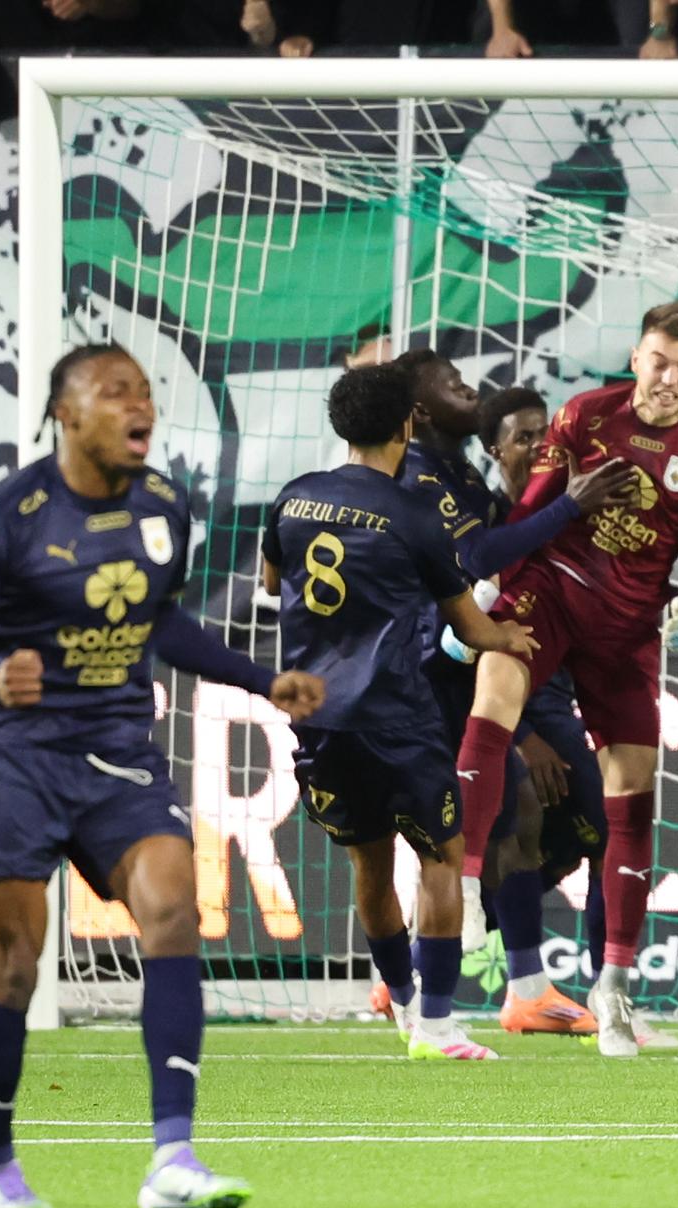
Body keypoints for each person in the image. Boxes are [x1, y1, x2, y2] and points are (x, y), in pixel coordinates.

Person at [0, 343, 324, 1208]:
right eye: (114, 392)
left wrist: (264, 680)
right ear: (67, 413)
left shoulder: (163, 506)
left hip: (116, 754)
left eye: (144, 391)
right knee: (14, 971)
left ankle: (172, 1158)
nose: (138, 405)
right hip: (17, 762)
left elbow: (159, 623)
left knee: (174, 907)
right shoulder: (1, 519)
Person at [451, 301, 678, 1057]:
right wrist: (491, 597)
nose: (668, 378)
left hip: (627, 629)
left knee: (630, 805)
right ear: (636, 357)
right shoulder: (584, 415)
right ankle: (459, 884)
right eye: (657, 360)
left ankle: (612, 991)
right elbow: (532, 508)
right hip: (551, 590)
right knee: (494, 693)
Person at [260, 363, 534, 1061]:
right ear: (408, 423)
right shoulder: (413, 514)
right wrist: (510, 637)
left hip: (317, 717)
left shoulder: (292, 500)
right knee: (440, 859)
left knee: (369, 867)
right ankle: (438, 1026)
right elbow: (470, 628)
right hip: (393, 714)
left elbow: (269, 582)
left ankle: (406, 1006)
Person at [393, 355, 634, 1037]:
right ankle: (429, 979)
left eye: (544, 436)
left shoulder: (474, 484)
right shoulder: (436, 485)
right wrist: (525, 726)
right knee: (474, 822)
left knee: (530, 826)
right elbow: (478, 575)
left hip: (517, 691)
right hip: (439, 681)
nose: (537, 447)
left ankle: (456, 976)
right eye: (522, 437)